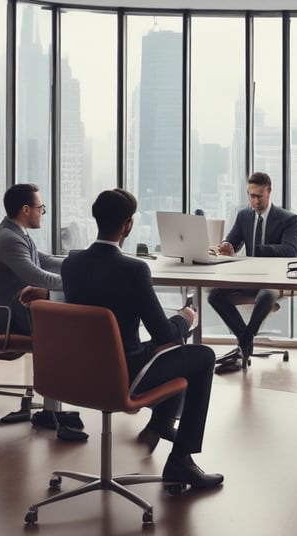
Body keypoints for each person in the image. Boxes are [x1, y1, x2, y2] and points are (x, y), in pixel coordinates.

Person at [61, 188, 223, 489]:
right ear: (128, 225)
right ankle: (180, 460)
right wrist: (185, 319)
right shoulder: (134, 269)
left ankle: (160, 425)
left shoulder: (71, 264)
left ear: (96, 219)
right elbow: (164, 333)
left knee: (167, 349)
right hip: (125, 373)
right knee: (200, 355)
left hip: (80, 373)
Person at [0, 183, 86, 440]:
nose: (42, 212)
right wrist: (83, 282)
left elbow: (46, 260)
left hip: (22, 311)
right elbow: (37, 276)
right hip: (9, 320)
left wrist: (82, 266)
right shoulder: (9, 239)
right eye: (41, 208)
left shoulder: (16, 232)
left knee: (72, 319)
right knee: (74, 324)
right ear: (26, 209)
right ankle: (55, 409)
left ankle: (54, 407)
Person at [207, 172, 297, 370]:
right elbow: (232, 239)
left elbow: (291, 251)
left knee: (266, 295)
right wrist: (226, 245)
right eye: (251, 196)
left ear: (269, 192)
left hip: (274, 280)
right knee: (214, 295)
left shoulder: (288, 219)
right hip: (248, 278)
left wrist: (260, 249)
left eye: (259, 196)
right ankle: (246, 339)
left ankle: (244, 342)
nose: (255, 201)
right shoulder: (244, 216)